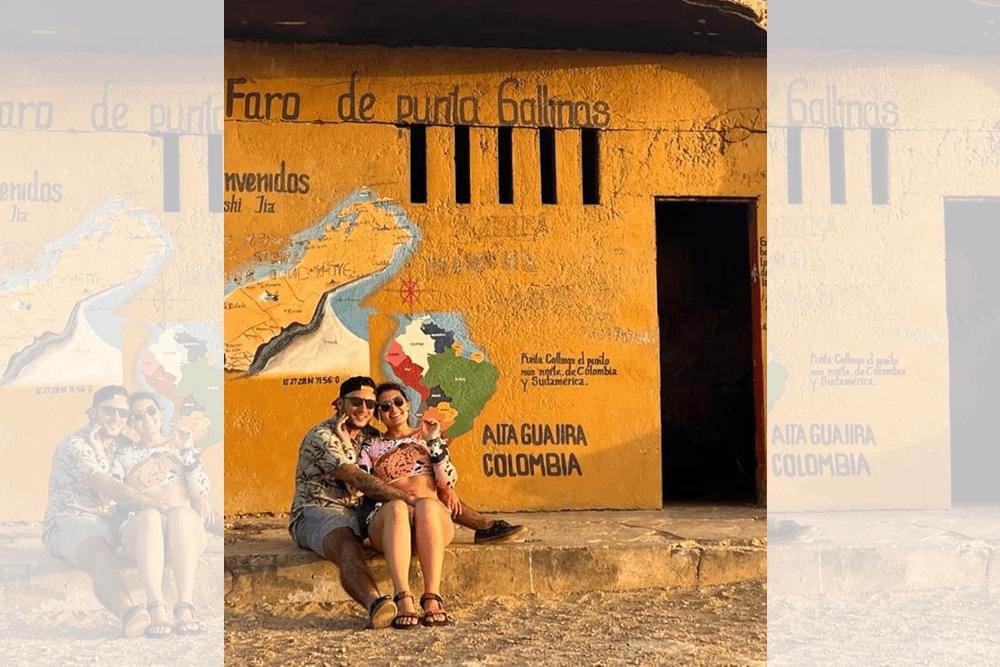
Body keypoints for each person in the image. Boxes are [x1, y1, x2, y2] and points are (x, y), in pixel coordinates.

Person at [288, 375, 525, 629]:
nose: (364, 409)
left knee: (425, 502)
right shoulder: (324, 437)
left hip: (358, 513)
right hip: (319, 511)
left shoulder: (369, 434)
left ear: (407, 404)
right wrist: (408, 496)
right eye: (357, 402)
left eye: (370, 404)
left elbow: (433, 474)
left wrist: (441, 487)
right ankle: (378, 603)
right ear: (339, 404)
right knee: (351, 544)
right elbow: (357, 477)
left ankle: (436, 591)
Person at [41, 385, 174, 638]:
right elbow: (108, 486)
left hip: (113, 521)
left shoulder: (124, 445)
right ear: (93, 412)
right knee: (99, 553)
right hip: (72, 520)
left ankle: (161, 606)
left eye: (123, 413)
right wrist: (161, 507)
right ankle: (128, 613)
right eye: (109, 411)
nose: (117, 419)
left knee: (156, 521)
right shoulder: (75, 446)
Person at [108, 391, 215, 638]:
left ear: (161, 413)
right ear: (131, 423)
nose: (146, 418)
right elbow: (115, 494)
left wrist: (187, 450)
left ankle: (185, 607)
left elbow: (201, 490)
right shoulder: (124, 455)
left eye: (151, 411)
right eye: (137, 415)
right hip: (141, 531)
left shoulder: (180, 447)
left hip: (185, 526)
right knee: (149, 515)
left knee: (180, 514)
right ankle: (156, 605)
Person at [357, 382, 458, 628]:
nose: (393, 409)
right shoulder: (370, 446)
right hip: (389, 522)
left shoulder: (428, 437)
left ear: (408, 404)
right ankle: (403, 597)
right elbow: (361, 484)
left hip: (431, 519)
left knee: (426, 505)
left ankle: (432, 597)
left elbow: (448, 480)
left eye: (398, 402)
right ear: (379, 414)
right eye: (385, 406)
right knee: (397, 506)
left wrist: (433, 440)